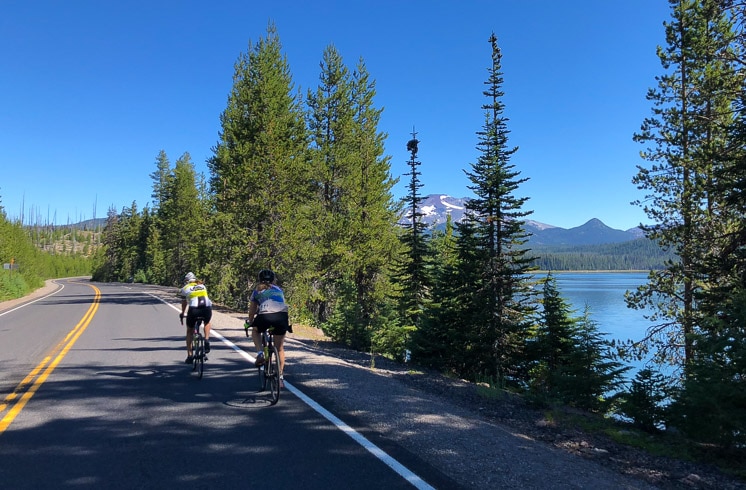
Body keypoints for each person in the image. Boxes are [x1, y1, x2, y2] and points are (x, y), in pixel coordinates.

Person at [245, 269, 291, 385]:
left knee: (255, 331)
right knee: (279, 348)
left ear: (259, 279)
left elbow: (252, 311)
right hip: (281, 317)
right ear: (273, 280)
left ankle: (260, 354)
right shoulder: (279, 290)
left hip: (264, 317)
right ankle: (280, 377)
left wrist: (250, 322)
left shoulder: (257, 291)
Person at [180, 272, 213, 363]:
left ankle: (190, 356)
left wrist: (182, 313)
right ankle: (206, 340)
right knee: (207, 322)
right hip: (206, 308)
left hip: (194, 310)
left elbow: (184, 303)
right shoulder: (202, 286)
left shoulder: (184, 288)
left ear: (186, 281)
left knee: (189, 331)